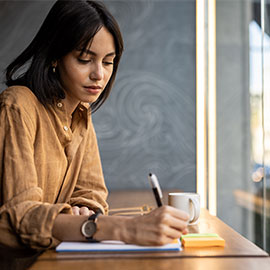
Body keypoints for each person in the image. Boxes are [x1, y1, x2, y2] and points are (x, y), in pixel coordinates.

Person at [0, 0, 189, 250]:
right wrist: (125, 228)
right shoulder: (17, 106)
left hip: (59, 258)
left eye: (108, 62)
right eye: (84, 59)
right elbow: (21, 217)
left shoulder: (81, 112)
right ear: (55, 57)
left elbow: (92, 193)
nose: (99, 74)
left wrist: (83, 212)